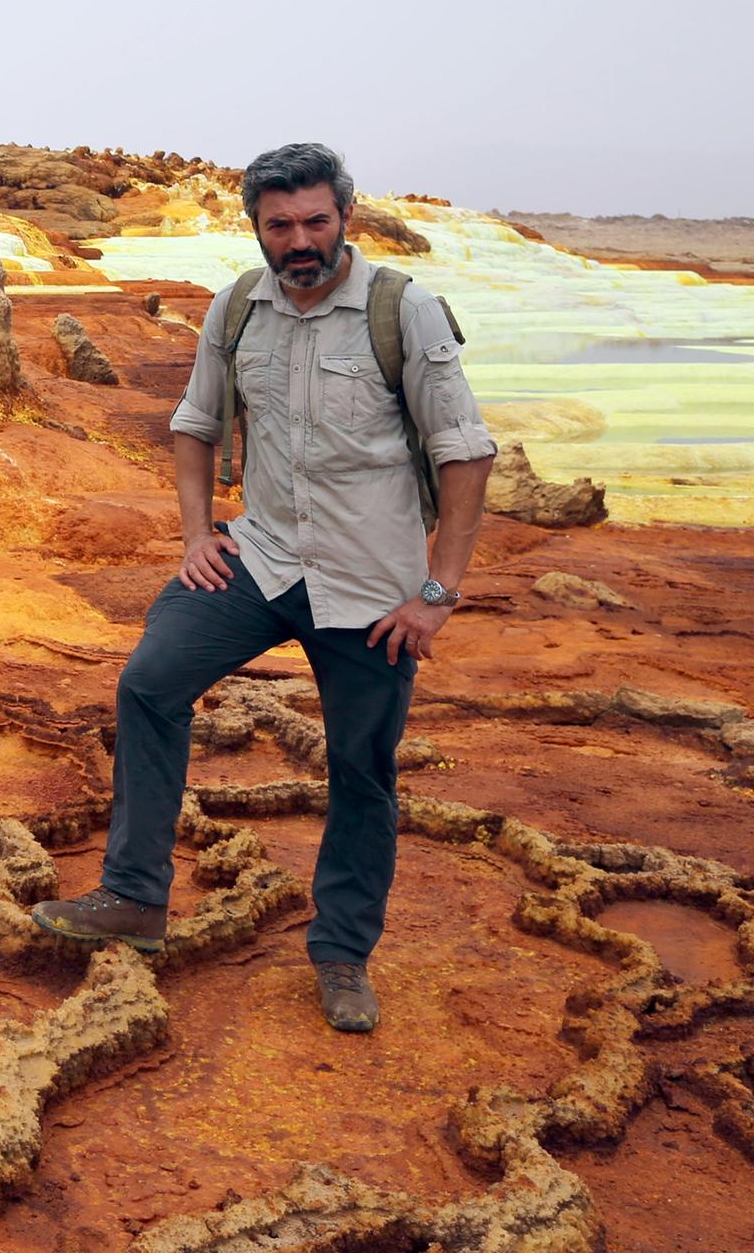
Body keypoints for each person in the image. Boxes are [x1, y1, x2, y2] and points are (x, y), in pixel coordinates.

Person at [32, 143, 497, 1032]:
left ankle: (342, 957)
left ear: (344, 220)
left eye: (315, 221)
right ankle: (134, 896)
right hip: (261, 560)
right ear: (256, 228)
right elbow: (196, 423)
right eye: (279, 225)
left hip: (371, 589)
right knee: (150, 682)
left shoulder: (407, 311)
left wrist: (437, 593)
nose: (299, 240)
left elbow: (464, 452)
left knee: (361, 772)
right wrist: (200, 534)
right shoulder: (240, 308)